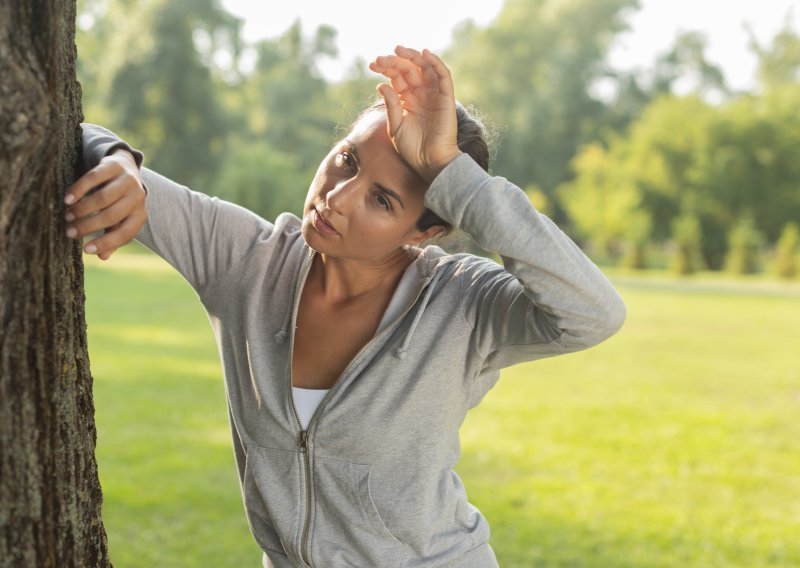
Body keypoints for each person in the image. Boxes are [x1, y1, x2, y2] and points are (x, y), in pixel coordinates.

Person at [66, 46, 626, 567]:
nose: (336, 197)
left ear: (426, 230)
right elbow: (80, 136)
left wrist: (455, 174)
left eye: (382, 200)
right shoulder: (246, 261)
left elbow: (593, 312)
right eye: (346, 160)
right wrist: (118, 161)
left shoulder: (465, 305)